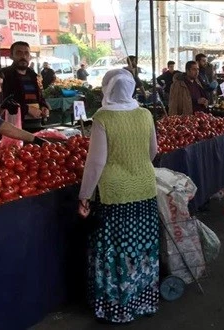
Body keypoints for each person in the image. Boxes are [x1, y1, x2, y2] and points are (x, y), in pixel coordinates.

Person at [78, 68, 159, 324]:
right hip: (145, 188)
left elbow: (96, 162)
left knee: (116, 250)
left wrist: (85, 195)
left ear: (107, 89)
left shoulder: (103, 117)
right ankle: (143, 301)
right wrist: (137, 166)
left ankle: (117, 307)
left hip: (115, 193)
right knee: (142, 247)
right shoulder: (145, 113)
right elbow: (153, 151)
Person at [0, 41, 51, 126]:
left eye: (26, 53)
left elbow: (40, 96)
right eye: (19, 53)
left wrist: (44, 106)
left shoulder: (33, 75)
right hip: (14, 125)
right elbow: (3, 100)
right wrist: (27, 109)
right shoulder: (4, 75)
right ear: (11, 56)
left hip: (36, 123)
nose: (23, 56)